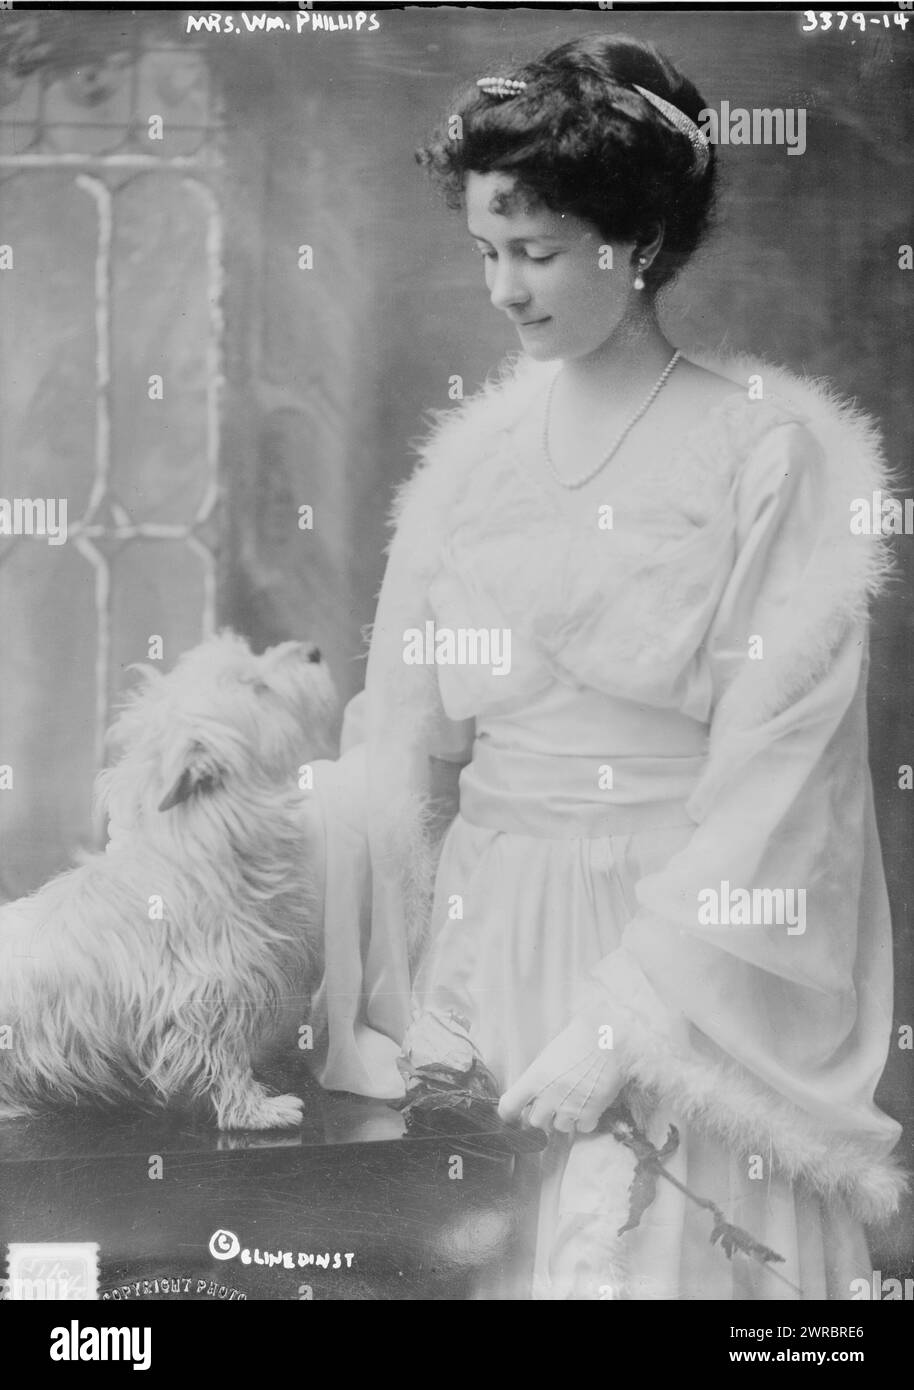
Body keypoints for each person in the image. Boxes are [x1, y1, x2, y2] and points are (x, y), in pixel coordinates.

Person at [310, 34, 905, 1300]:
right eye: (484, 251)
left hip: (681, 948)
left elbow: (781, 783)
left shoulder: (766, 455)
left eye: (535, 253)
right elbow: (409, 745)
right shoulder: (467, 468)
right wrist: (412, 990)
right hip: (493, 923)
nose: (503, 290)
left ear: (632, 245)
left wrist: (624, 1019)